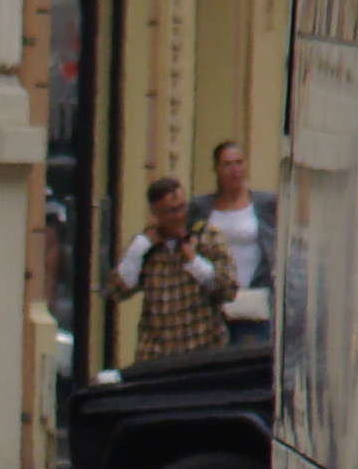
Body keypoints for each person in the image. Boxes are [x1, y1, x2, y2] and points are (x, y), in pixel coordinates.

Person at [113, 175, 237, 365]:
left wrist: (195, 262)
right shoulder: (148, 247)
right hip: (157, 354)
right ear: (155, 212)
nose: (179, 215)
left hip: (202, 349)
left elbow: (228, 288)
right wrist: (138, 250)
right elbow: (116, 291)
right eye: (170, 211)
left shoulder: (206, 236)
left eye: (182, 207)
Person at [186, 140, 277, 345]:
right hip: (212, 302)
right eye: (227, 164)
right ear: (216, 169)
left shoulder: (265, 204)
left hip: (254, 299)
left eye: (239, 163)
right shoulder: (200, 207)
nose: (234, 170)